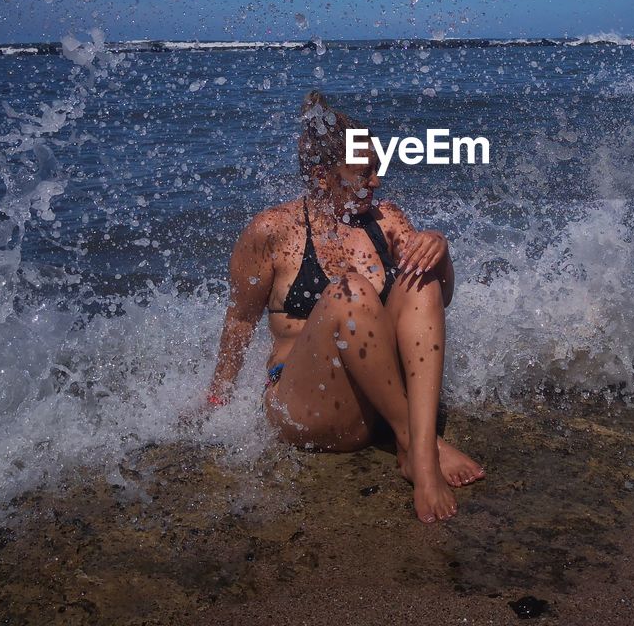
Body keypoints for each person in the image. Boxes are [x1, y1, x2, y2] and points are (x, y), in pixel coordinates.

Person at [204, 91, 485, 523]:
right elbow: (240, 321)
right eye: (365, 171)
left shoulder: (386, 220)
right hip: (308, 405)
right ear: (322, 176)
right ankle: (417, 447)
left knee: (419, 276)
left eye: (378, 168)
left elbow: (434, 302)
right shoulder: (272, 231)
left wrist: (440, 251)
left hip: (376, 404)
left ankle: (414, 441)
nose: (376, 181)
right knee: (349, 291)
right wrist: (215, 402)